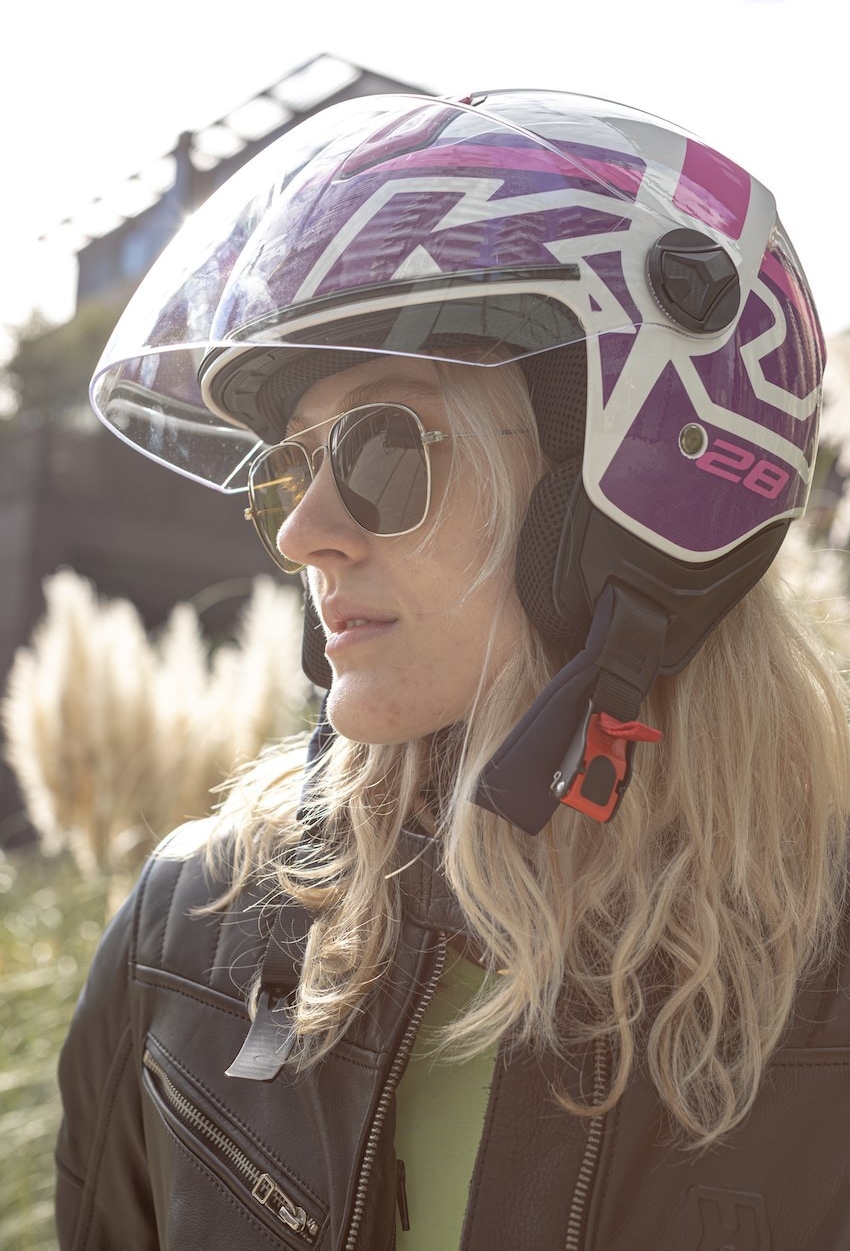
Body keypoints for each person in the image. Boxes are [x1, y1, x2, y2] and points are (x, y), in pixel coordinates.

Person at [56, 89, 850, 1250]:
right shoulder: (186, 929)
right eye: (292, 469)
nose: (302, 533)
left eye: (380, 447)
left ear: (635, 494)